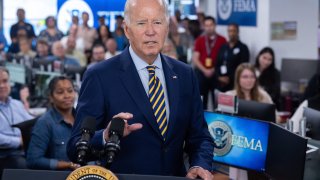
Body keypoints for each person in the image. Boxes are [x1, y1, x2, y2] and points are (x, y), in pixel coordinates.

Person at [67, 0, 213, 179]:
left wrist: (199, 165)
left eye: (157, 22)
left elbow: (200, 137)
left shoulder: (185, 74)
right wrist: (105, 136)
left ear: (166, 28)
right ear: (127, 29)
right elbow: (75, 148)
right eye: (142, 23)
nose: (151, 31)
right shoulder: (99, 76)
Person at [226, 63, 273, 180]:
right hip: (238, 142)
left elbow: (273, 119)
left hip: (259, 143)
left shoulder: (263, 96)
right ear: (238, 79)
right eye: (245, 77)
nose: (249, 80)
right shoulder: (229, 96)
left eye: (252, 77)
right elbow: (225, 122)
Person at [26, 76, 80, 170]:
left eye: (70, 91)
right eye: (60, 92)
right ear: (51, 97)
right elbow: (33, 160)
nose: (67, 95)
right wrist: (67, 165)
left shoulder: (82, 119)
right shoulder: (45, 123)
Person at [0, 67, 33, 177]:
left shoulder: (16, 104)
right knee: (27, 169)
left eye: (5, 81)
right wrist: (19, 141)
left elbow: (31, 122)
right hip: (5, 155)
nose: (2, 86)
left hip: (23, 152)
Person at [192, 16, 227, 110]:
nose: (209, 27)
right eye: (206, 25)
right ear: (204, 26)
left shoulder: (222, 40)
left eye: (211, 25)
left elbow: (224, 59)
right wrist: (205, 70)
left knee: (218, 102)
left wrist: (213, 69)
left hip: (216, 74)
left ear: (215, 25)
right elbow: (195, 58)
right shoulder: (199, 40)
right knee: (202, 101)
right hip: (202, 73)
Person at [216, 23, 249, 92]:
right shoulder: (223, 47)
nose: (231, 33)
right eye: (229, 31)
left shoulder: (243, 48)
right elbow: (217, 63)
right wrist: (219, 77)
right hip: (220, 82)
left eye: (234, 31)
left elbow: (243, 67)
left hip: (234, 83)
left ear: (238, 32)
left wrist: (229, 78)